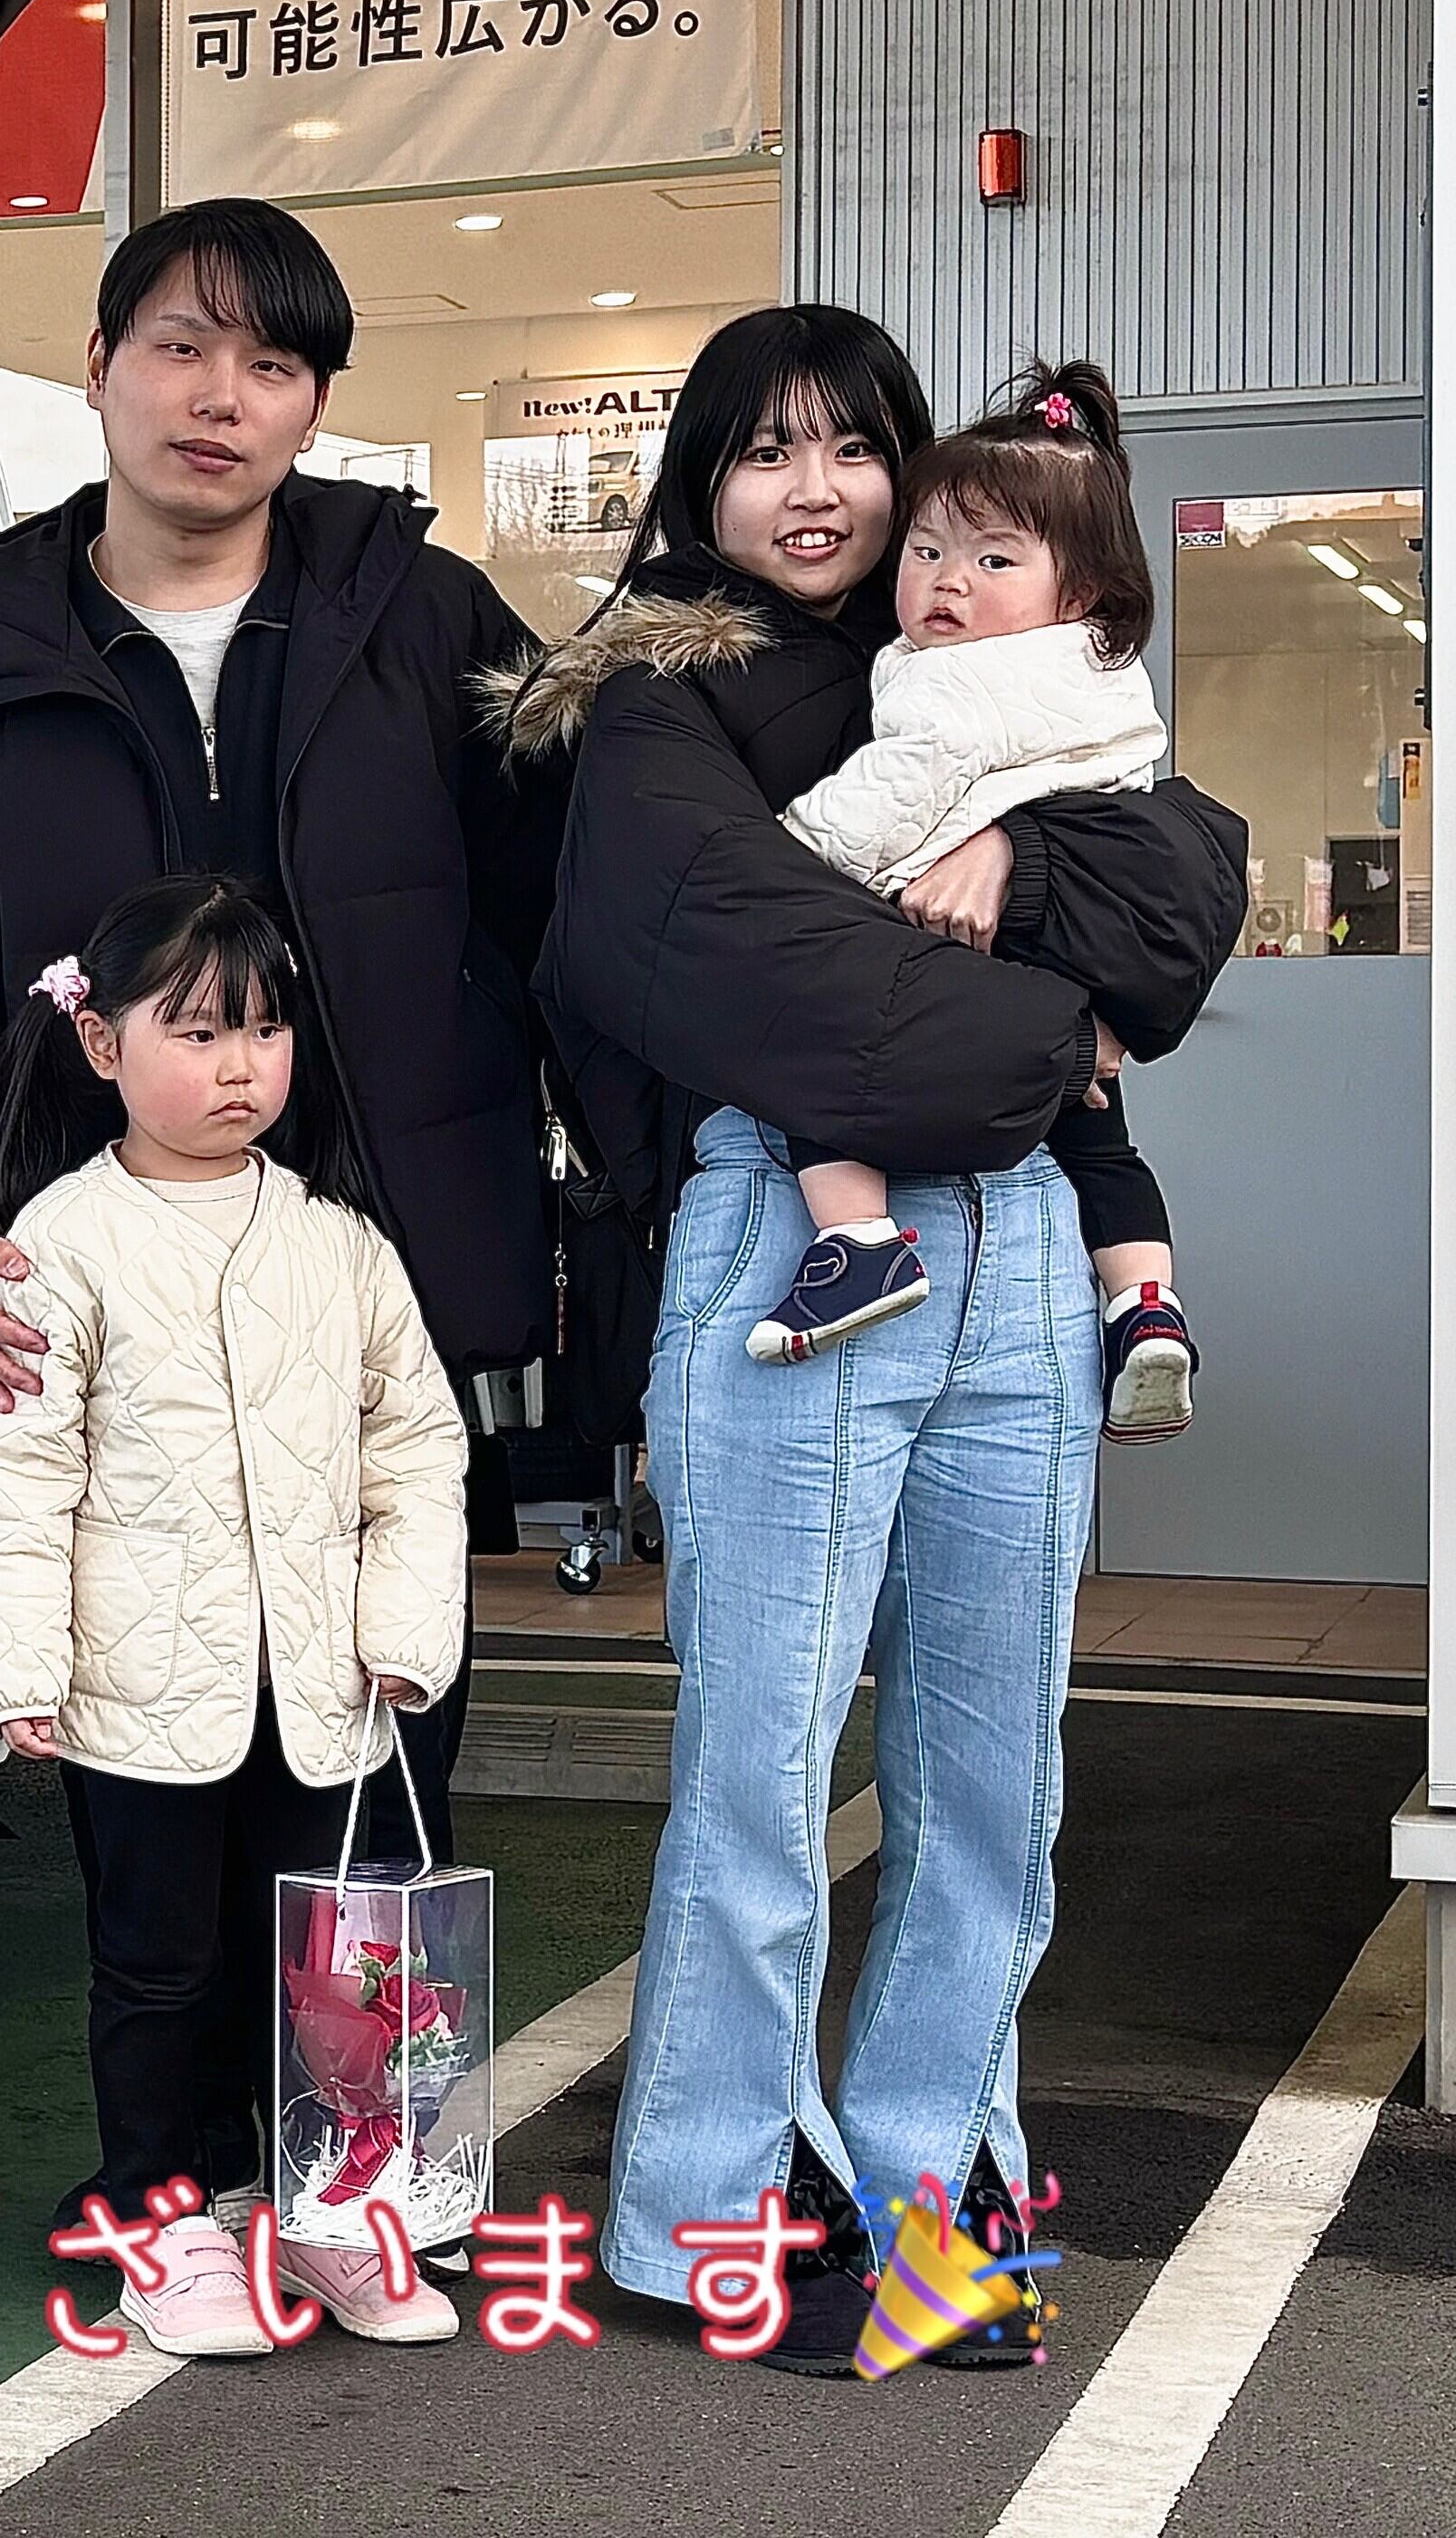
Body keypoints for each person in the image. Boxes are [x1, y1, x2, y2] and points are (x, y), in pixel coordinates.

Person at [497, 305, 1245, 2374]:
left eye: (851, 446)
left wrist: (1034, 865)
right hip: (792, 1237)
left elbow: (1191, 890)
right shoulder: (656, 690)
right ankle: (719, 2208)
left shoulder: (998, 664)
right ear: (701, 482)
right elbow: (720, 959)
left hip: (1020, 1249)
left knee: (994, 1769)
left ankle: (939, 2178)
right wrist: (1045, 1018)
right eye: (764, 449)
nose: (815, 490)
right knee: (760, 1768)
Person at [0, 197, 565, 1879]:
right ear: (99, 364)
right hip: (103, 1310)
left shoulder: (428, 622)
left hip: (373, 1294)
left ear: (316, 405)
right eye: (180, 347)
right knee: (151, 1867)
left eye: (272, 364)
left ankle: (350, 2074)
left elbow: (587, 906)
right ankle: (173, 2075)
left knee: (370, 1834)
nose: (220, 396)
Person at [0, 875, 467, 2355]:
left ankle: (334, 2213)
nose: (240, 1066)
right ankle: (162, 2222)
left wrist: (403, 1629)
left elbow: (417, 1445)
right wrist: (16, 1667)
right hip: (139, 1692)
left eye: (264, 1028)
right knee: (156, 1969)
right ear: (100, 1043)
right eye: (198, 1033)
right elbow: (13, 1474)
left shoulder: (336, 1240)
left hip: (319, 1690)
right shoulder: (61, 1242)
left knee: (333, 1965)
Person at [742, 361, 1200, 1441]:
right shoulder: (1099, 669)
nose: (948, 583)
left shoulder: (959, 681)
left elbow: (897, 792)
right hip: (1075, 952)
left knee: (813, 1072)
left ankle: (857, 1243)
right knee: (1101, 1143)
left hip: (974, 952)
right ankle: (1145, 1304)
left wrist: (789, 852)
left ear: (1077, 592)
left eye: (994, 560)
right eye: (927, 551)